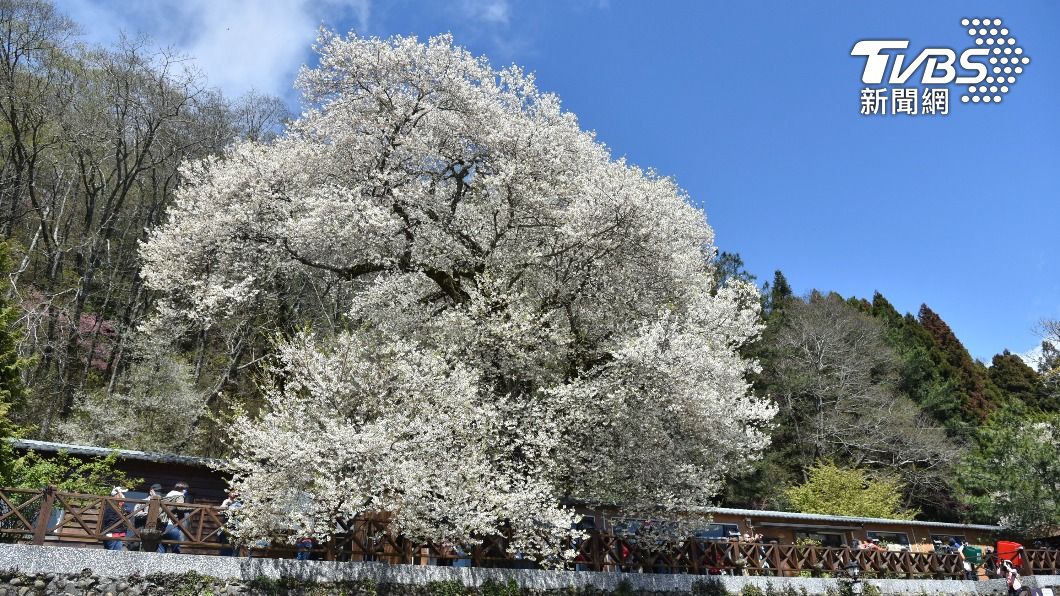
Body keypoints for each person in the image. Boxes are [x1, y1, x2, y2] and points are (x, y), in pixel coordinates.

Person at [157, 481, 189, 554]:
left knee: (161, 549)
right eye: (186, 489)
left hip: (161, 525)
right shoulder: (179, 496)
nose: (186, 491)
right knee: (176, 551)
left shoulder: (167, 496)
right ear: (183, 489)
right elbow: (180, 508)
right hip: (171, 526)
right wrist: (191, 508)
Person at [101, 486, 128, 551]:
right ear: (116, 495)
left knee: (117, 555)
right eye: (122, 494)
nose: (123, 496)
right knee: (110, 555)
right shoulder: (110, 505)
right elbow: (111, 518)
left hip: (120, 534)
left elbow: (129, 511)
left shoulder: (123, 506)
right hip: (111, 534)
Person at [218, 490, 242, 557]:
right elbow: (220, 509)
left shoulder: (240, 503)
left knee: (236, 544)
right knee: (226, 543)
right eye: (234, 493)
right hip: (228, 525)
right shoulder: (227, 501)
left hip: (237, 526)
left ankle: (234, 557)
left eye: (237, 494)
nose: (236, 495)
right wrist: (226, 503)